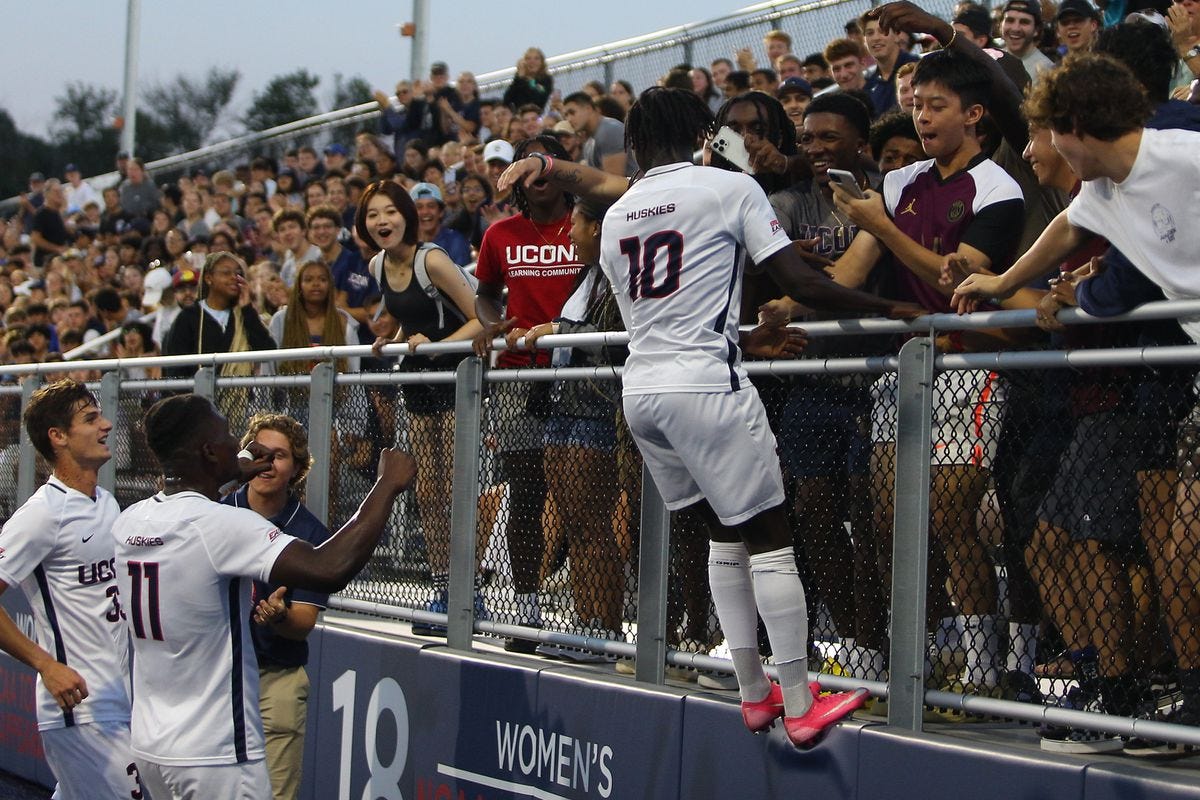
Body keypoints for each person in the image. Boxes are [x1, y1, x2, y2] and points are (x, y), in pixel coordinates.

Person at [596, 87, 921, 746]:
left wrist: (741, 336)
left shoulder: (618, 212)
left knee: (722, 533)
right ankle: (800, 702)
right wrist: (890, 309)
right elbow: (799, 283)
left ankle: (753, 693)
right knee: (771, 539)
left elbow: (652, 315)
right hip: (707, 386)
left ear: (635, 143)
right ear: (701, 135)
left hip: (644, 392)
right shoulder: (728, 187)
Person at [113, 393, 415, 799]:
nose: (239, 444)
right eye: (227, 434)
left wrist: (226, 470)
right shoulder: (222, 523)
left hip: (152, 744)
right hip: (215, 751)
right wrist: (386, 486)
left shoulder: (131, 519)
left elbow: (192, 504)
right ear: (208, 451)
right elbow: (330, 567)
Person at [0, 380, 144, 798]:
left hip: (119, 698)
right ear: (58, 437)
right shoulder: (42, 514)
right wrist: (46, 665)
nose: (106, 425)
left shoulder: (107, 503)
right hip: (79, 707)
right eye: (91, 418)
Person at [472, 134, 583, 653]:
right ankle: (525, 605)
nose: (536, 175)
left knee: (584, 496)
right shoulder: (499, 234)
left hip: (583, 374)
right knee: (525, 491)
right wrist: (493, 323)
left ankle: (590, 614)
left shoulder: (588, 223)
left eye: (545, 163)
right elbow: (485, 296)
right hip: (519, 376)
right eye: (526, 165)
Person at [360, 180, 486, 635]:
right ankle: (443, 585)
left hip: (457, 378)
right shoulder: (377, 265)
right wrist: (391, 340)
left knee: (456, 488)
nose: (382, 221)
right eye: (373, 214)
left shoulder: (431, 259)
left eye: (390, 212)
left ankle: (471, 589)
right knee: (428, 491)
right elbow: (409, 314)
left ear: (407, 216)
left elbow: (480, 317)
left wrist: (436, 346)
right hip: (418, 381)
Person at [522, 196, 627, 653]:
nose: (568, 233)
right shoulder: (587, 276)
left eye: (576, 225)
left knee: (594, 523)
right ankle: (584, 622)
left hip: (598, 409)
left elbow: (616, 339)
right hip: (563, 407)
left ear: (599, 228)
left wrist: (556, 331)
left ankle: (605, 630)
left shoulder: (621, 275)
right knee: (574, 522)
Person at [224, 414, 332, 800]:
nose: (266, 464)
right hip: (216, 677)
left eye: (279, 456)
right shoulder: (218, 513)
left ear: (297, 469)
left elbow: (303, 622)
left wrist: (279, 617)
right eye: (258, 453)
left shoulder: (309, 533)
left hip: (276, 676)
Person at [503, 47, 554, 112]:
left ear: (542, 62)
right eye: (528, 59)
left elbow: (537, 99)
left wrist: (526, 81)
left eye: (536, 58)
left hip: (537, 114)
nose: (532, 62)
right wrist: (519, 77)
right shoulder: (519, 79)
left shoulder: (546, 79)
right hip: (520, 114)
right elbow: (506, 100)